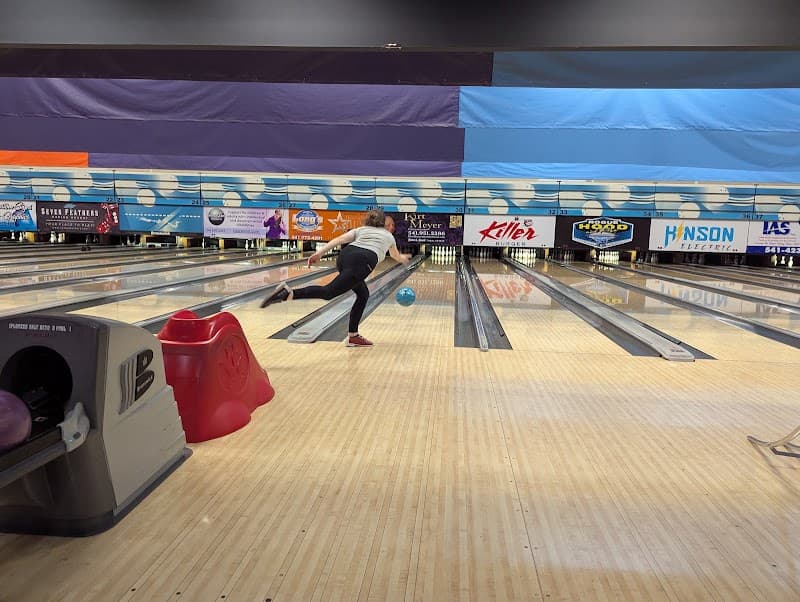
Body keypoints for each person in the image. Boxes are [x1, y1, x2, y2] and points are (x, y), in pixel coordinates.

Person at [260, 208, 411, 347]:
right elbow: (394, 255)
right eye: (391, 224)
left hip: (344, 257)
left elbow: (338, 240)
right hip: (362, 261)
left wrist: (319, 253)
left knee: (363, 294)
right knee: (328, 292)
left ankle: (353, 336)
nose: (393, 228)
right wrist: (403, 258)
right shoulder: (389, 236)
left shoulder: (361, 230)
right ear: (384, 224)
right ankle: (288, 293)